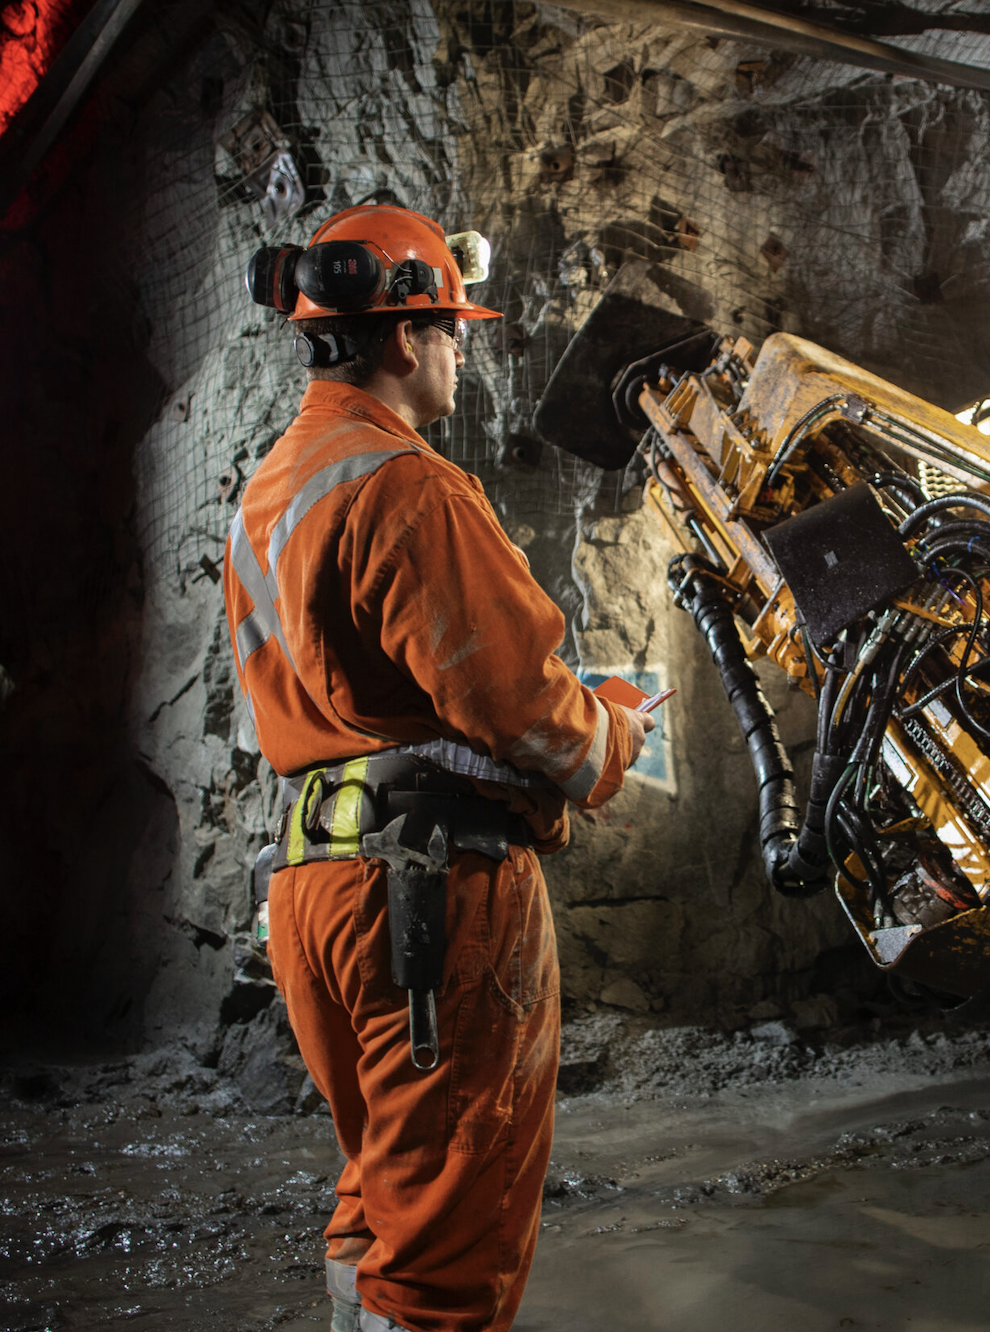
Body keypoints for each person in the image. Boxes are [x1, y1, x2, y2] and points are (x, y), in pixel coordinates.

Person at [228, 203, 654, 1332]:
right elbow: (519, 701)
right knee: (448, 1235)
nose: (464, 352)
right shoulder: (405, 484)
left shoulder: (270, 492)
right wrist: (611, 738)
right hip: (426, 888)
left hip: (314, 884)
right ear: (406, 338)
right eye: (455, 331)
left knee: (379, 1187)